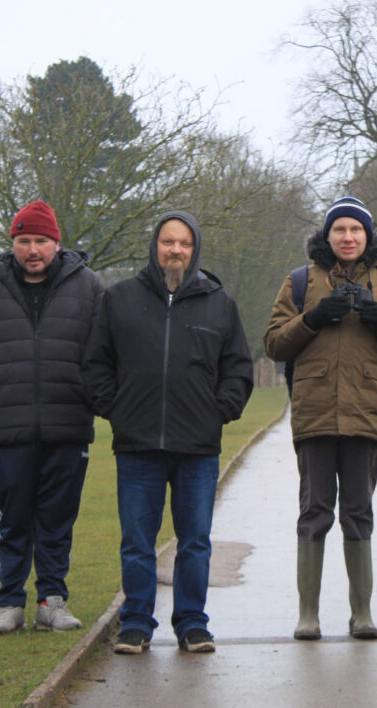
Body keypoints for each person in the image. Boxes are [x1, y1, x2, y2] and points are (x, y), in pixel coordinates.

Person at [84, 211, 253, 655]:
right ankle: (136, 623)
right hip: (138, 446)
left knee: (195, 542)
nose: (175, 250)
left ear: (194, 249)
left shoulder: (220, 304)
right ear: (154, 246)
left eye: (184, 243)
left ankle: (193, 624)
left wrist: (220, 411)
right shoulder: (118, 299)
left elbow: (237, 368)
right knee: (137, 542)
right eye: (167, 241)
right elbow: (95, 363)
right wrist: (115, 410)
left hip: (197, 448)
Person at [264, 196, 377, 641]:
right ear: (327, 236)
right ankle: (308, 615)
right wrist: (313, 318)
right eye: (340, 230)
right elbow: (274, 344)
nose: (348, 237)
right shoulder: (298, 281)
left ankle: (362, 613)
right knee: (314, 511)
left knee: (358, 512)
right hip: (314, 413)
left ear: (367, 237)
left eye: (356, 230)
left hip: (365, 414)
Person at [0, 200, 102, 635]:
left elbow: (105, 349)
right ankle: (9, 603)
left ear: (56, 243)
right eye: (23, 241)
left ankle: (52, 601)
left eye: (40, 241)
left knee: (57, 520)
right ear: (12, 243)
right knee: (12, 520)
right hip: (6, 429)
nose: (32, 249)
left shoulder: (89, 287)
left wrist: (89, 395)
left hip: (68, 425)